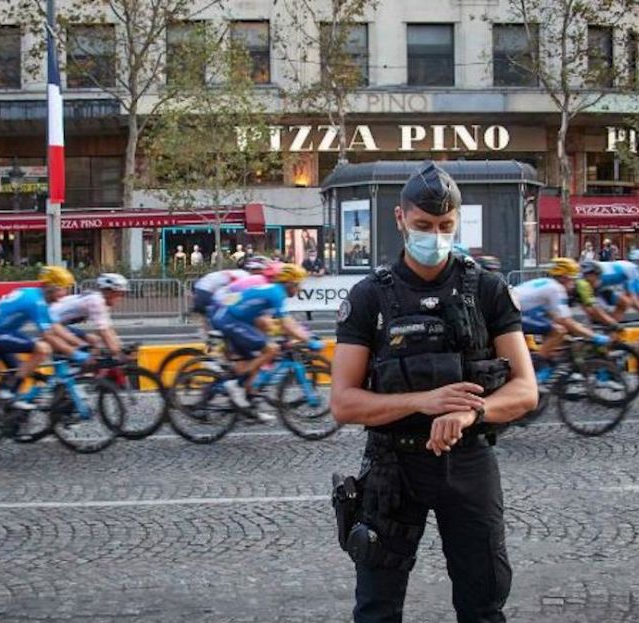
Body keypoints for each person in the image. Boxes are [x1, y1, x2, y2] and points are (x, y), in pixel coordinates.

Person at [330, 161, 538, 623]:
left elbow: (526, 390)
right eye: (423, 225)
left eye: (445, 225)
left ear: (456, 221)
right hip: (393, 465)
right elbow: (343, 401)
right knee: (377, 609)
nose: (435, 235)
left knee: (483, 603)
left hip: (469, 460)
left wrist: (473, 412)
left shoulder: (487, 290)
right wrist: (422, 402)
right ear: (400, 219)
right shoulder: (369, 297)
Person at [210, 262, 315, 411]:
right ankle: (235, 385)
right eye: (298, 285)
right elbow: (286, 324)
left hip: (232, 317)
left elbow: (276, 323)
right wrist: (308, 339)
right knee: (271, 350)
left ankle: (248, 403)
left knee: (255, 360)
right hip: (229, 318)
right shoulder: (276, 293)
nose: (300, 289)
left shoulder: (274, 290)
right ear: (291, 283)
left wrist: (297, 335)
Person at [0, 266, 85, 410]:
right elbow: (48, 334)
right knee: (42, 349)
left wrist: (80, 344)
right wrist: (74, 353)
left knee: (18, 370)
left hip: (3, 332)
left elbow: (56, 327)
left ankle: (7, 404)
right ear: (50, 286)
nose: (65, 294)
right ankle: (7, 393)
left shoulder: (35, 295)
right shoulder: (35, 302)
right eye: (62, 288)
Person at [515, 258, 610, 382]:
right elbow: (566, 321)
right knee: (559, 331)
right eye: (572, 279)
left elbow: (554, 316)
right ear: (564, 277)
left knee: (554, 331)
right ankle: (535, 370)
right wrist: (594, 336)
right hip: (513, 314)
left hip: (515, 310)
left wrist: (575, 329)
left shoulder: (547, 283)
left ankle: (546, 364)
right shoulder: (557, 289)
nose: (573, 283)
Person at [49, 273, 129, 355]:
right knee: (83, 348)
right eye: (118, 294)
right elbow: (103, 331)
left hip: (59, 324)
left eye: (122, 294)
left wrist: (120, 347)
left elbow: (108, 328)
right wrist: (118, 353)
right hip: (50, 324)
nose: (121, 298)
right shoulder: (96, 301)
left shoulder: (100, 300)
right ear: (107, 291)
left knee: (95, 341)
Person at [597, 249, 639, 321]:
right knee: (624, 302)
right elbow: (633, 298)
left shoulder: (631, 269)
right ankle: (609, 327)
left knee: (624, 303)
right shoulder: (632, 269)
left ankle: (611, 329)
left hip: (601, 285)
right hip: (592, 281)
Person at [575, 260, 620, 329]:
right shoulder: (583, 284)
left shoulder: (584, 282)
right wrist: (613, 323)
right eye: (597, 276)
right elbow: (592, 309)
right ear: (589, 275)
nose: (598, 279)